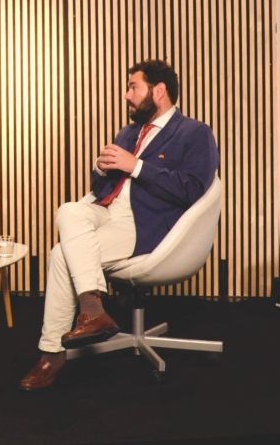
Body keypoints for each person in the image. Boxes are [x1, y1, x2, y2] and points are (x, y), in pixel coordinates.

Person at [19, 59, 219, 391]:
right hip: (107, 211)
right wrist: (101, 169)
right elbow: (103, 188)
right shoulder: (129, 132)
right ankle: (93, 308)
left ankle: (52, 354)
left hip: (144, 224)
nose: (127, 95)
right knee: (68, 210)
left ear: (158, 91)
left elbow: (193, 189)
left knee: (59, 255)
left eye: (133, 87)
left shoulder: (194, 133)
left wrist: (136, 166)